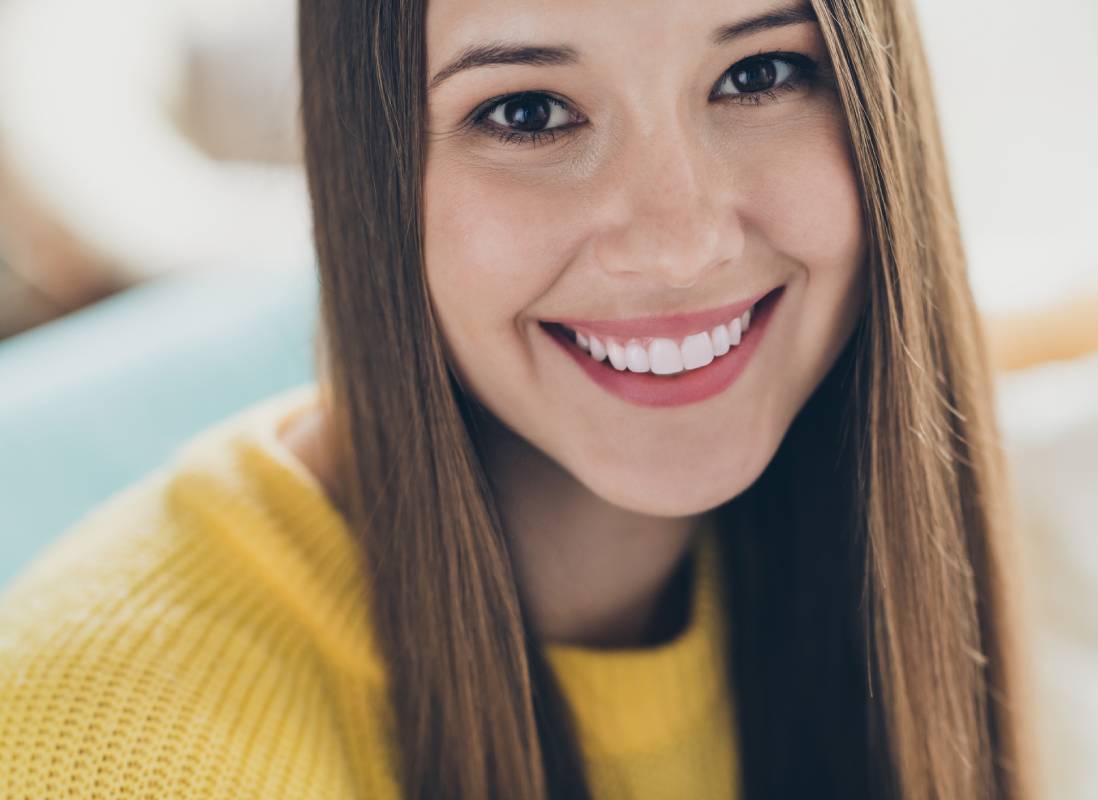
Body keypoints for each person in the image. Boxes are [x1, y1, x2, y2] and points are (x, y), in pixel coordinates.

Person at [0, 0, 1037, 797]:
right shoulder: (112, 747)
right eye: (527, 112)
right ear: (367, 171)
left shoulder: (953, 543)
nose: (679, 244)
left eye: (758, 74)